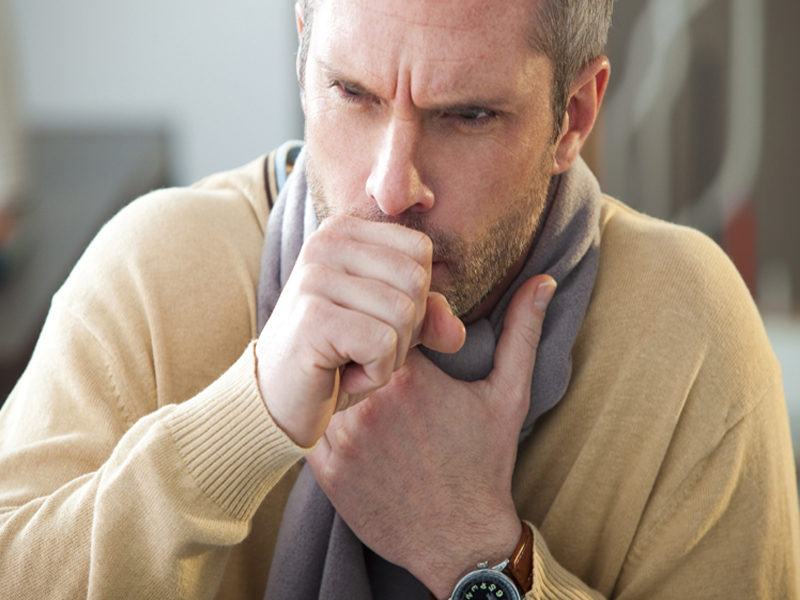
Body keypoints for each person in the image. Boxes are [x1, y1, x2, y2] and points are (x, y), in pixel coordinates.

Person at [0, 0, 798, 598]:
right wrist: (249, 419)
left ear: (574, 116)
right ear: (303, 53)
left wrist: (476, 554)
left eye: (467, 116)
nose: (391, 186)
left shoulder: (689, 335)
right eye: (353, 93)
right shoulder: (156, 270)